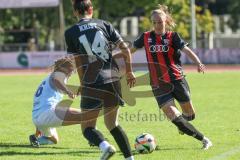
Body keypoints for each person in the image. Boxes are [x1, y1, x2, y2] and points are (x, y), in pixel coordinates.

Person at [130, 4, 212, 150]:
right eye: (154, 22)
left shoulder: (172, 36)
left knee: (190, 115)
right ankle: (204, 139)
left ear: (166, 21)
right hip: (158, 83)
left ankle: (183, 124)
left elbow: (186, 50)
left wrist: (198, 62)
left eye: (160, 22)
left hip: (177, 79)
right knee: (171, 113)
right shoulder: (145, 37)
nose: (157, 25)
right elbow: (129, 51)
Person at [65, 0, 136, 160]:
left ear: (75, 12)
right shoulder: (105, 24)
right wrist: (130, 71)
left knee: (87, 128)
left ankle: (105, 147)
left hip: (92, 82)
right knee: (113, 125)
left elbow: (79, 62)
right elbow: (125, 49)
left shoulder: (70, 32)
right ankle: (130, 159)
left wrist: (83, 84)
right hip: (113, 80)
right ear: (91, 9)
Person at [29, 57, 93, 147]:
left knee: (54, 140)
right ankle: (94, 139)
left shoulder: (49, 79)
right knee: (87, 115)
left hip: (37, 118)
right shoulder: (57, 75)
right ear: (63, 68)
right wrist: (68, 91)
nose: (72, 72)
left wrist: (80, 91)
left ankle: (36, 139)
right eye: (71, 70)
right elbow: (57, 81)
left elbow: (67, 88)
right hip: (48, 113)